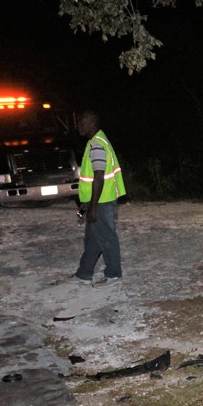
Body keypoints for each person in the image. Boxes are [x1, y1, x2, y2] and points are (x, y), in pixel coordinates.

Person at [71, 110, 125, 287]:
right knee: (93, 239)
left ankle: (113, 274)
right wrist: (84, 208)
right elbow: (90, 180)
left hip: (102, 202)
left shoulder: (97, 145)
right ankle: (84, 273)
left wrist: (92, 207)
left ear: (93, 123)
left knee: (107, 238)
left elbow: (99, 177)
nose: (80, 125)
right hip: (96, 201)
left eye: (83, 122)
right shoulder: (94, 142)